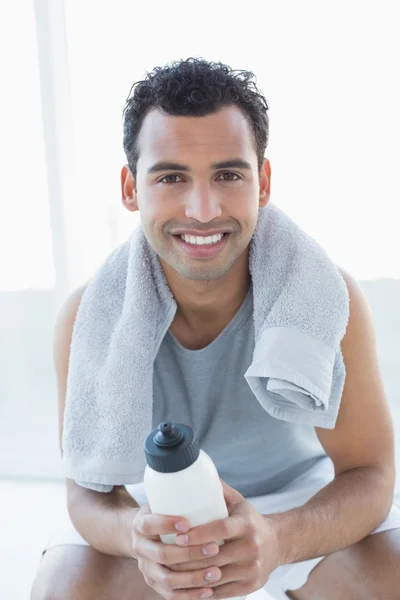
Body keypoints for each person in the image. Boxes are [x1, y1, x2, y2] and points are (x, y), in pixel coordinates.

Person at [31, 57, 400, 600]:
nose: (202, 210)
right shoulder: (87, 317)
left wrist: (276, 538)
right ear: (131, 188)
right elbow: (86, 494)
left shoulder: (328, 301)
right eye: (171, 177)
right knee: (64, 586)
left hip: (297, 502)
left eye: (228, 174)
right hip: (158, 514)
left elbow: (371, 475)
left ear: (263, 181)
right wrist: (138, 536)